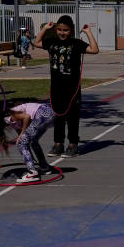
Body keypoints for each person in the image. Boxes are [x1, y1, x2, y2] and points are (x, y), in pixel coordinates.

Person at [36, 15, 99, 157]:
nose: (62, 33)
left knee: (72, 117)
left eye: (65, 30)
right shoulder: (51, 42)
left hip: (72, 88)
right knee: (58, 116)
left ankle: (73, 145)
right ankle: (58, 144)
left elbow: (94, 50)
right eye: (59, 29)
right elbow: (37, 42)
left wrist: (88, 32)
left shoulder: (76, 43)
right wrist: (45, 28)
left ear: (71, 30)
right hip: (56, 88)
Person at [0, 101, 56, 183]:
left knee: (21, 143)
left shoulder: (9, 117)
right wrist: (27, 156)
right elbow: (22, 134)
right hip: (48, 112)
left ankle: (32, 173)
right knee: (32, 141)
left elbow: (27, 116)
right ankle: (44, 167)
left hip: (42, 113)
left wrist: (22, 133)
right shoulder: (10, 117)